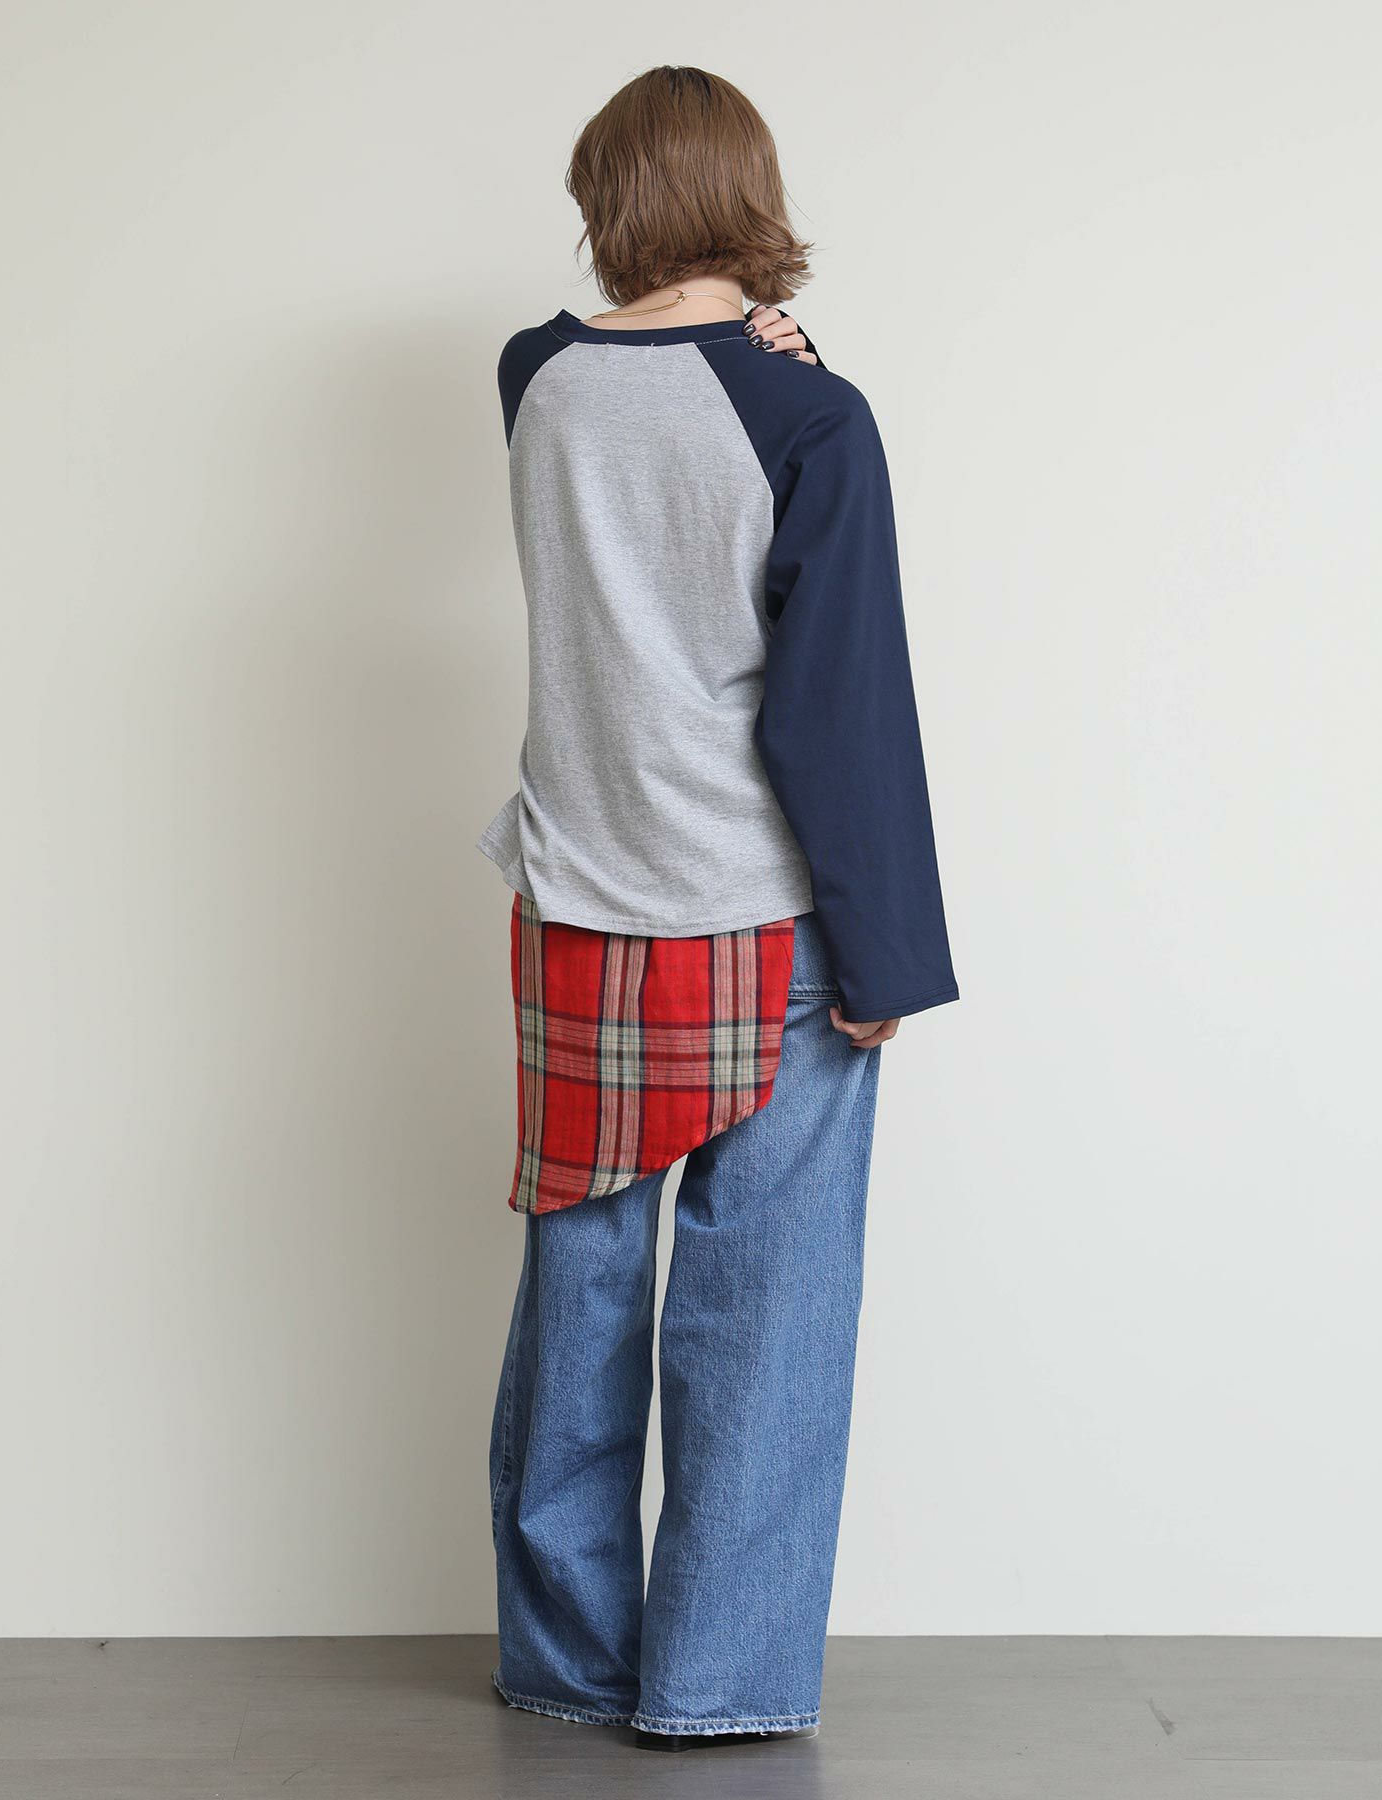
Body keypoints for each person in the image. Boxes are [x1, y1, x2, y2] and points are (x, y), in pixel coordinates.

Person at [477, 65, 957, 1751]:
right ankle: (719, 1685)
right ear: (747, 194)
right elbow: (839, 703)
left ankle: (563, 1662)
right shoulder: (813, 418)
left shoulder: (534, 379)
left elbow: (636, 407)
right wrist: (886, 951)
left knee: (580, 1295)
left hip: (577, 907)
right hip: (760, 924)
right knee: (764, 1318)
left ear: (606, 198)